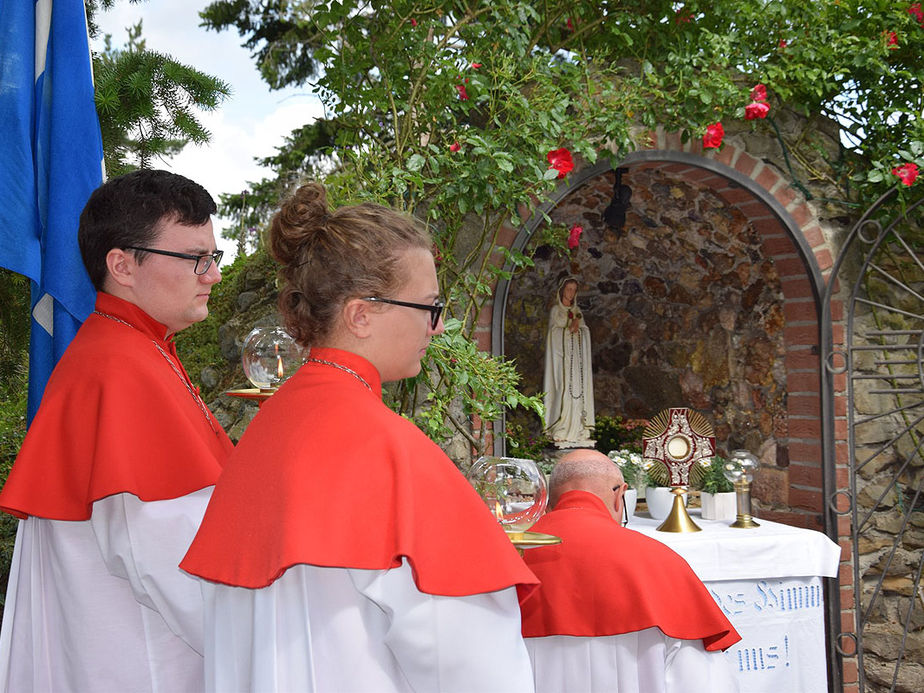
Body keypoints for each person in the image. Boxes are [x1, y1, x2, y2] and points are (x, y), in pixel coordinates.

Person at [180, 182, 538, 692]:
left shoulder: (271, 426)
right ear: (361, 314)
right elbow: (468, 657)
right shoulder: (386, 445)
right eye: (430, 308)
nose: (437, 327)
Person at [0, 170, 234, 693]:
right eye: (196, 258)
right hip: (138, 662)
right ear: (122, 265)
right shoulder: (120, 370)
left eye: (214, 257)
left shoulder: (133, 350)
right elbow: (166, 561)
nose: (212, 275)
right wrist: (265, 636)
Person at [518, 449, 741, 693]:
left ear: (550, 502)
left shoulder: (512, 557)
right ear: (619, 496)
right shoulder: (661, 562)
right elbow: (701, 681)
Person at [543, 276, 595, 447]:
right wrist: (568, 330)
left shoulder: (578, 311)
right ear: (562, 290)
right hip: (561, 361)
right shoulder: (556, 311)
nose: (571, 293)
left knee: (577, 392)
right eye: (568, 289)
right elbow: (553, 334)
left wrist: (578, 330)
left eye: (574, 290)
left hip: (576, 364)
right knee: (562, 390)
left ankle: (579, 427)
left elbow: (585, 332)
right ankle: (561, 426)